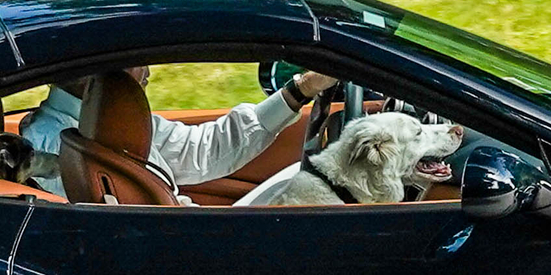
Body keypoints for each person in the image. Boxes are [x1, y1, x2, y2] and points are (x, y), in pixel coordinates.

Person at [22, 66, 337, 198]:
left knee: (304, 181)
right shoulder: (50, 145)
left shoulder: (116, 122)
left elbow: (203, 151)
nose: (148, 74)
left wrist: (301, 89)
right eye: (135, 61)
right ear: (91, 76)